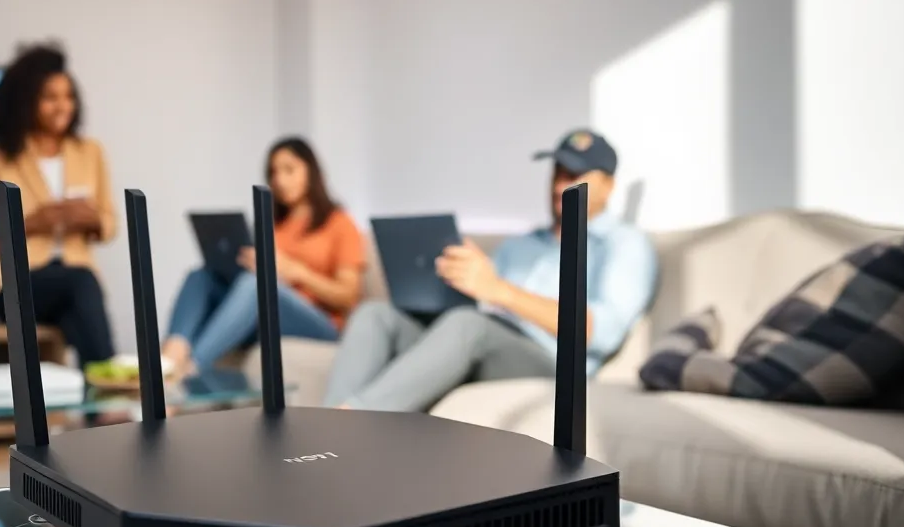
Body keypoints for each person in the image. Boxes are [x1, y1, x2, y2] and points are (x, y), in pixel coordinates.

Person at [323, 129, 657, 412]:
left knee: (470, 326)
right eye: (557, 172)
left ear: (608, 186)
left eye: (574, 175)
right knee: (376, 313)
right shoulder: (521, 245)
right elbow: (480, 304)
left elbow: (598, 331)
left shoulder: (624, 245)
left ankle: (352, 420)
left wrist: (501, 291)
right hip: (479, 340)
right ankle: (323, 428)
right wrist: (455, 278)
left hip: (553, 362)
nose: (559, 186)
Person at [0, 43, 116, 365]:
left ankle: (103, 409)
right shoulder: (0, 157)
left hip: (74, 284)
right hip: (16, 283)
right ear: (26, 102)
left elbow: (109, 222)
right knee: (82, 283)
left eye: (69, 96)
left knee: (80, 311)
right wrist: (33, 221)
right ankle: (115, 396)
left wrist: (91, 219)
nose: (63, 106)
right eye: (50, 97)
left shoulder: (90, 151)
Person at [161, 137, 367, 374]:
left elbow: (348, 297)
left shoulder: (339, 224)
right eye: (273, 172)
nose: (279, 180)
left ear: (311, 171)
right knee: (201, 276)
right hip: (266, 316)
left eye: (289, 170)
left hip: (320, 324)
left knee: (255, 285)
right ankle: (171, 356)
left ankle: (190, 369)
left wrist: (297, 273)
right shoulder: (272, 225)